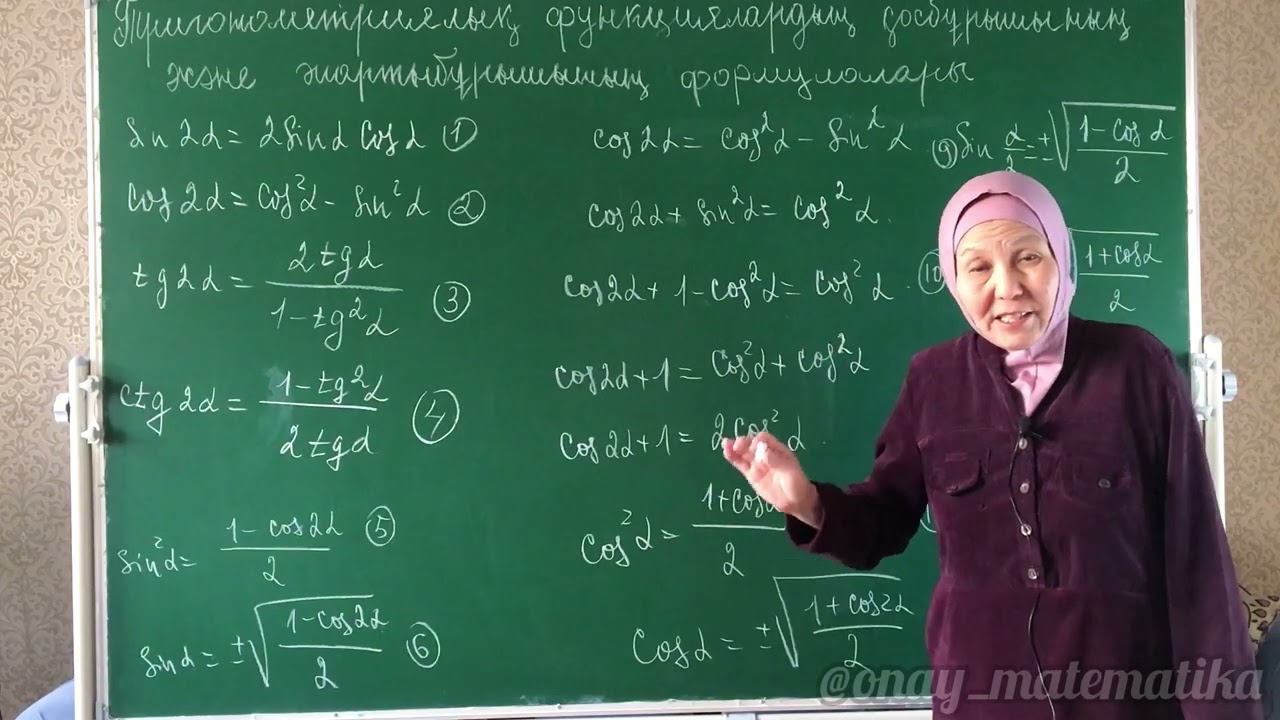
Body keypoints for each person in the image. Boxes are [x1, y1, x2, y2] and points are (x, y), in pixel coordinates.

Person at [722, 170, 1261, 719]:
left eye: (1028, 257)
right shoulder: (933, 380)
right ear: (953, 279)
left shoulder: (1136, 367)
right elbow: (880, 522)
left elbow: (1196, 559)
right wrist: (806, 503)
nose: (1008, 288)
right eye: (979, 267)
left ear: (1062, 260)